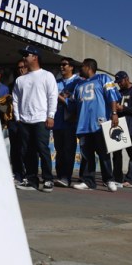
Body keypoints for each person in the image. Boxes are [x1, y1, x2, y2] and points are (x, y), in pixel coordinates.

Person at [70, 58, 120, 191]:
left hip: (99, 123)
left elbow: (112, 96)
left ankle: (109, 179)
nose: (80, 69)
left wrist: (114, 113)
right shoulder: (78, 85)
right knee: (86, 155)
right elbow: (74, 103)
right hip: (83, 125)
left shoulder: (103, 78)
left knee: (103, 153)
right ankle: (88, 181)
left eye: (82, 67)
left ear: (88, 67)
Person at [12, 45, 57, 192]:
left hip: (41, 119)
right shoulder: (20, 80)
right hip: (24, 120)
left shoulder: (47, 75)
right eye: (24, 55)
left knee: (42, 149)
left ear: (35, 57)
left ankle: (48, 180)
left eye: (27, 55)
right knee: (27, 151)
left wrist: (51, 115)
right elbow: (16, 100)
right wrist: (18, 118)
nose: (24, 58)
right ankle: (31, 180)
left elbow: (52, 97)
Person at [52, 57, 80, 187]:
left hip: (70, 122)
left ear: (71, 67)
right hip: (57, 121)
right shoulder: (55, 82)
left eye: (64, 64)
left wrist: (62, 98)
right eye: (60, 65)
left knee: (69, 150)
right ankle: (59, 176)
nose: (62, 67)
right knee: (59, 150)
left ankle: (66, 177)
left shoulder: (77, 82)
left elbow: (77, 101)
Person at [7, 59, 29, 184]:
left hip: (27, 120)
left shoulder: (32, 82)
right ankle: (17, 174)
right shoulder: (13, 84)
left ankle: (27, 174)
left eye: (24, 67)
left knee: (25, 149)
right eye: (19, 67)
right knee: (14, 149)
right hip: (14, 120)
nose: (21, 69)